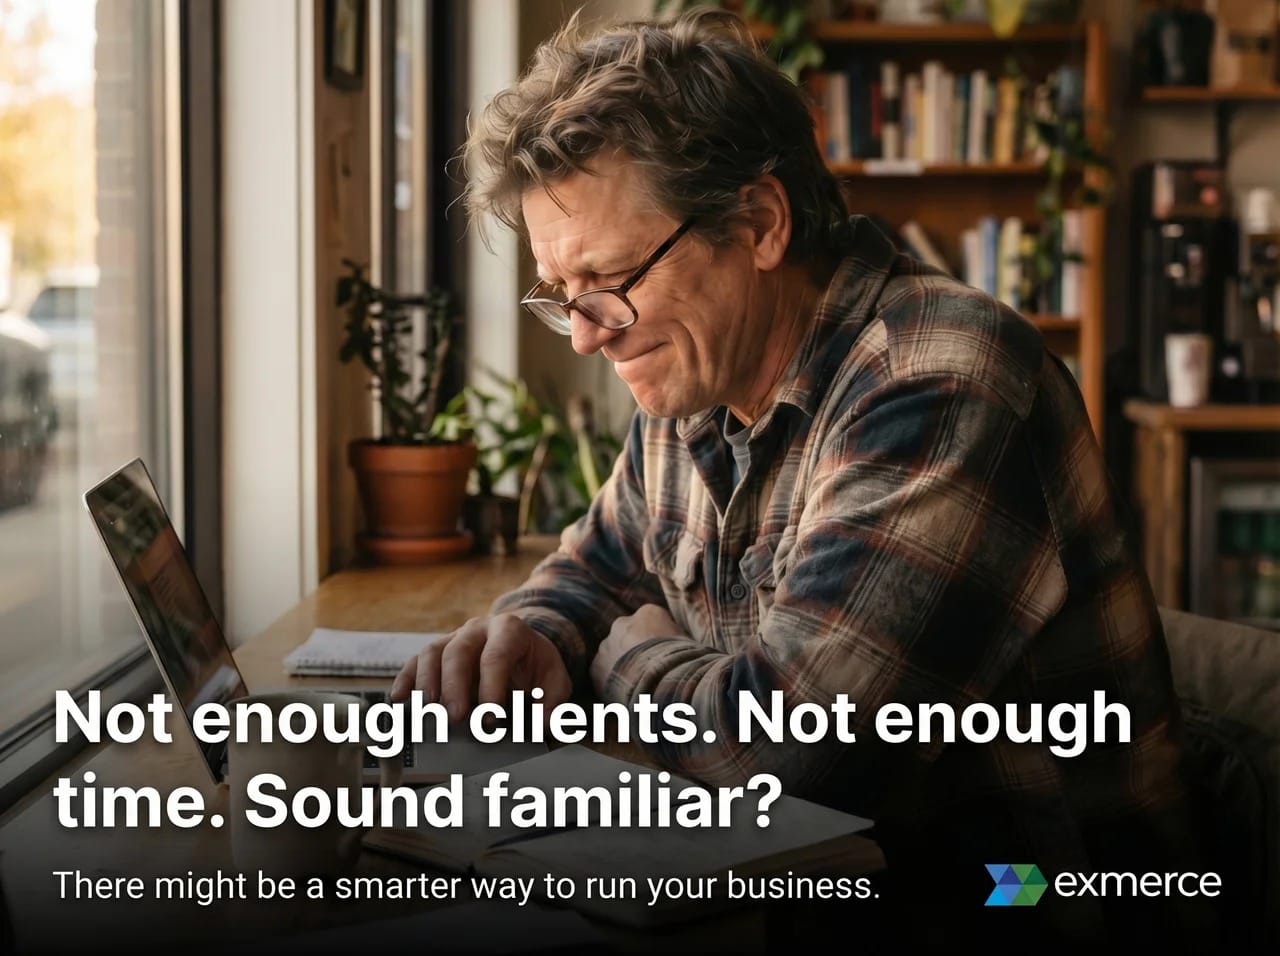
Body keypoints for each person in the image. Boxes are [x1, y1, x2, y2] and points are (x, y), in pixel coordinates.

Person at [391, 8, 1215, 948]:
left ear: (760, 222)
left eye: (610, 280)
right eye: (564, 297)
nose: (585, 334)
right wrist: (529, 636)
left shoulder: (941, 378)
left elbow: (781, 757)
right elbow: (599, 571)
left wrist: (627, 656)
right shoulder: (697, 376)